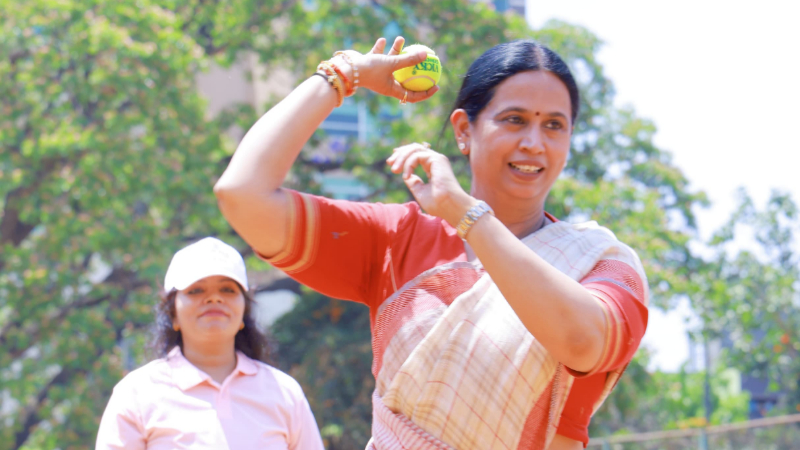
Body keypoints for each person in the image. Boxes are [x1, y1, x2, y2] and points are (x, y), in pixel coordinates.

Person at [214, 36, 649, 450]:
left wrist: (467, 216)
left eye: (554, 125)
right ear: (464, 130)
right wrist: (346, 72)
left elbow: (581, 342)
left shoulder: (597, 263)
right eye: (514, 119)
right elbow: (242, 193)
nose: (534, 143)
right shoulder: (398, 239)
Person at [96, 237, 324, 450]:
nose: (214, 298)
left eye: (227, 289)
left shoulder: (285, 393)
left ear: (244, 311)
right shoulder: (137, 394)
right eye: (196, 290)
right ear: (172, 314)